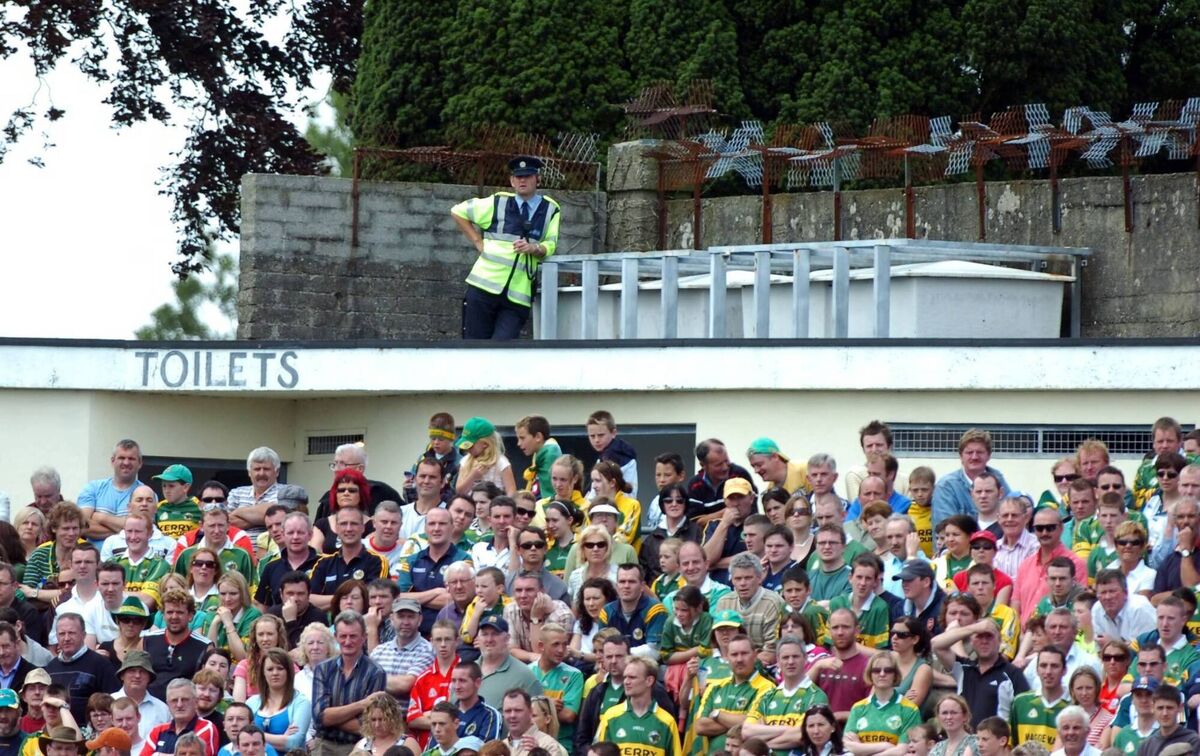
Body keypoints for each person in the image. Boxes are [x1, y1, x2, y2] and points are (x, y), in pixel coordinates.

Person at [452, 155, 560, 339]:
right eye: (518, 177)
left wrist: (534, 248)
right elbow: (458, 211)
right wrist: (478, 241)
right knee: (474, 349)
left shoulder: (551, 209)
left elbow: (551, 243)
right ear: (512, 181)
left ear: (538, 179)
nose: (522, 180)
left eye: (528, 176)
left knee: (503, 350)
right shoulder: (498, 202)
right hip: (483, 288)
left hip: (518, 296)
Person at [311, 611, 388, 755]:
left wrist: (330, 719)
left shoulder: (376, 673)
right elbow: (319, 717)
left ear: (364, 637)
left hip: (357, 748)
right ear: (335, 637)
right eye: (343, 636)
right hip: (323, 745)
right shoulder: (323, 669)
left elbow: (367, 726)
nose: (347, 641)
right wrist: (361, 705)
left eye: (353, 636)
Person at [933, 615, 1029, 726]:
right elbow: (936, 644)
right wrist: (974, 628)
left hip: (996, 740)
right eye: (979, 636)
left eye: (989, 636)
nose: (984, 641)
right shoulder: (964, 668)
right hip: (965, 740)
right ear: (972, 641)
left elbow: (1023, 712)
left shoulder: (1012, 673)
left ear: (999, 641)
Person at [742, 635, 828, 755]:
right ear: (778, 661)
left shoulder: (816, 696)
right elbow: (746, 731)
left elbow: (801, 735)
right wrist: (790, 730)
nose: (790, 662)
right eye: (785, 657)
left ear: (805, 658)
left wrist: (762, 743)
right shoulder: (766, 696)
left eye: (795, 656)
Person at [396, 508, 472, 636]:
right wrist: (436, 592)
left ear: (452, 527)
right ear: (425, 529)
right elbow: (399, 599)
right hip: (413, 635)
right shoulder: (411, 560)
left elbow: (457, 600)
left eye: (442, 524)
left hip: (450, 636)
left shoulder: (464, 559)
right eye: (432, 524)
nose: (436, 528)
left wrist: (416, 597)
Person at [1014, 508, 1088, 623]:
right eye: (1039, 528)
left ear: (1061, 528)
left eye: (1050, 528)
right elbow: (1016, 604)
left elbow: (1079, 605)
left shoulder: (1076, 564)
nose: (1044, 533)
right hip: (1025, 636)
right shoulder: (1025, 564)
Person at [309, 507, 388, 612]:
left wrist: (329, 601)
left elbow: (372, 600)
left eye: (354, 524)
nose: (349, 529)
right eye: (343, 524)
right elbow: (309, 600)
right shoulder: (323, 563)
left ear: (363, 528)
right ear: (336, 528)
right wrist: (351, 599)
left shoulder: (377, 562)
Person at [596, 658, 681, 756]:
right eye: (625, 677)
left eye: (632, 677)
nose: (626, 682)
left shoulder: (667, 722)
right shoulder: (611, 716)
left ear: (649, 681)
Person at [45, 613, 120, 723]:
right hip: (58, 733)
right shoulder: (51, 668)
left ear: (83, 635)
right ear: (56, 637)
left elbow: (114, 703)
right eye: (62, 634)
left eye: (71, 633)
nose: (66, 638)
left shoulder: (101, 664)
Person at [842, 650, 922, 755]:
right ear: (870, 675)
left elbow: (902, 750)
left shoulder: (910, 709)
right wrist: (885, 746)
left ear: (895, 674)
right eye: (876, 670)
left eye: (888, 670)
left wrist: (861, 748)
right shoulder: (858, 708)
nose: (882, 674)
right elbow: (848, 745)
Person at [142, 590, 211, 701]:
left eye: (179, 612)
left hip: (184, 707)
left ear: (190, 616)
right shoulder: (148, 640)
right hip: (150, 706)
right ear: (163, 615)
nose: (174, 617)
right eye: (170, 612)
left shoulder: (204, 646)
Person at [932, 429, 1010, 527]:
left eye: (980, 452)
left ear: (989, 456)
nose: (974, 457)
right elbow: (945, 530)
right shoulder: (946, 486)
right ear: (961, 456)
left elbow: (1010, 515)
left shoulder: (998, 478)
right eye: (969, 452)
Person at [404, 620, 459, 750]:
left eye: (448, 639)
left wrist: (429, 714)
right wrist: (445, 722)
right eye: (439, 640)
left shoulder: (465, 674)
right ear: (431, 641)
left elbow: (465, 715)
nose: (443, 645)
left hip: (457, 747)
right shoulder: (423, 678)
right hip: (426, 748)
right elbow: (412, 719)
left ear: (457, 641)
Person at [527, 623, 581, 751]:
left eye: (564, 644)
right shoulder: (526, 672)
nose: (561, 650)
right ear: (541, 646)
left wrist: (535, 707)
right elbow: (521, 712)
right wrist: (549, 704)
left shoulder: (574, 674)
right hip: (529, 741)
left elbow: (568, 715)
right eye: (556, 644)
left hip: (561, 743)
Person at [78, 439, 144, 543]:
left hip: (128, 559)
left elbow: (144, 529)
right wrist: (126, 529)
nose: (126, 462)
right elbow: (81, 526)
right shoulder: (92, 488)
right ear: (112, 461)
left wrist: (101, 517)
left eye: (131, 458)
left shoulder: (145, 494)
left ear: (140, 463)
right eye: (121, 458)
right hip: (95, 558)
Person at [20, 501, 85, 605]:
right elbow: (26, 592)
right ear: (54, 528)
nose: (71, 533)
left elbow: (82, 593)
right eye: (66, 528)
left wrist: (36, 593)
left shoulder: (87, 553)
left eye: (75, 528)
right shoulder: (40, 555)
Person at [316, 443, 402, 521]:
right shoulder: (327, 498)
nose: (336, 469)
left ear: (360, 469)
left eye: (342, 464)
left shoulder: (381, 492)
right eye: (335, 464)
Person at [245, 648, 310, 752]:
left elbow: (293, 743)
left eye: (280, 668)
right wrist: (282, 738)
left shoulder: (301, 703)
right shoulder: (251, 703)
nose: (275, 673)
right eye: (270, 669)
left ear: (288, 672)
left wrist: (254, 735)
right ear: (263, 673)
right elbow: (242, 739)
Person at [598, 564, 666, 660]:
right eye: (622, 582)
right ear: (617, 586)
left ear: (642, 586)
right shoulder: (606, 612)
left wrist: (621, 654)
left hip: (646, 667)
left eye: (632, 582)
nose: (626, 586)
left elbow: (655, 652)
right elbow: (602, 649)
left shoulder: (655, 610)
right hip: (615, 666)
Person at [369, 599, 433, 699]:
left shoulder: (428, 650)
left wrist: (372, 679)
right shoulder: (379, 651)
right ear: (392, 619)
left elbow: (405, 685)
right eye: (401, 616)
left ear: (420, 620)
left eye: (411, 617)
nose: (406, 622)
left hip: (407, 714)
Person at [503, 573, 574, 663]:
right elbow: (511, 649)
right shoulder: (510, 610)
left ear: (542, 592)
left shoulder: (562, 615)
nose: (523, 595)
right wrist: (530, 656)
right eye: (518, 590)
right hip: (523, 665)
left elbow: (544, 654)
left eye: (529, 590)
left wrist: (535, 618)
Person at [255, 514, 319, 610]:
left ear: (310, 535)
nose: (295, 537)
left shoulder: (325, 563)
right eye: (290, 533)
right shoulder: (271, 567)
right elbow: (263, 607)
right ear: (283, 535)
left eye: (300, 532)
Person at [1010, 646, 1069, 749]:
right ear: (1037, 670)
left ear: (1064, 670)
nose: (1048, 671)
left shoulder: (1073, 706)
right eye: (1043, 665)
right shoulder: (1020, 703)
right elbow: (1011, 745)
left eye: (1054, 666)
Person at [474, 617, 543, 706]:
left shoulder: (524, 675)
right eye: (484, 634)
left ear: (507, 638)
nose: (489, 639)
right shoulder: (468, 670)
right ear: (478, 639)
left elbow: (538, 714)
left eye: (495, 634)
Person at [142, 679, 220, 756]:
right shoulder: (157, 731)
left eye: (185, 700)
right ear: (168, 704)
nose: (179, 705)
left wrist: (157, 754)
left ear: (196, 702)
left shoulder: (206, 728)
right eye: (174, 700)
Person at [830, 553, 891, 650]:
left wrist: (852, 648)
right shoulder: (837, 603)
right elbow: (829, 644)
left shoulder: (880, 608)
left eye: (868, 578)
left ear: (875, 582)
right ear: (850, 578)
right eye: (859, 577)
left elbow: (881, 651)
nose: (862, 583)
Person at [686, 439, 757, 521]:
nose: (725, 467)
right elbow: (695, 523)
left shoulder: (739, 475)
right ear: (703, 465)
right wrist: (726, 513)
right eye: (718, 465)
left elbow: (752, 512)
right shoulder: (695, 485)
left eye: (726, 461)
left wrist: (710, 517)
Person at [114, 513, 171, 614]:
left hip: (146, 625)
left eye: (138, 532)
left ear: (150, 534)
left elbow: (147, 601)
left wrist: (113, 594)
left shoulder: (160, 565)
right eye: (129, 531)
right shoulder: (113, 562)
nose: (133, 536)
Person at [111, 651, 169, 741]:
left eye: (142, 672)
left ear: (149, 677)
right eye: (132, 671)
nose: (137, 676)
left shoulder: (162, 709)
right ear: (122, 675)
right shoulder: (108, 702)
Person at [227, 447, 283, 536]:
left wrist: (237, 512)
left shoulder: (285, 493)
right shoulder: (236, 493)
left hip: (271, 549)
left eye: (266, 469)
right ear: (249, 472)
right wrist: (262, 517)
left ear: (277, 472)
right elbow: (227, 523)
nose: (261, 473)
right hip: (238, 548)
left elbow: (280, 517)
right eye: (257, 469)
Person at [1133, 683, 1200, 755]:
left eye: (1169, 708)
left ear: (1180, 708)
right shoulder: (1146, 746)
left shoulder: (1193, 740)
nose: (1165, 713)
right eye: (1160, 708)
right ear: (1153, 708)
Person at [267, 572, 326, 648]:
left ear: (308, 594)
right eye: (290, 593)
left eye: (300, 594)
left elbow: (303, 649)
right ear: (281, 594)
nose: (295, 599)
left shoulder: (318, 616)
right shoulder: (272, 614)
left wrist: (291, 621)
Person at [499, 689, 566, 756]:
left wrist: (539, 753)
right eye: (508, 711)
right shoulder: (499, 748)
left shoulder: (548, 745)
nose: (512, 715)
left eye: (518, 710)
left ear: (530, 712)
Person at [450, 663, 503, 743]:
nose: (457, 686)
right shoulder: (446, 713)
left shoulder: (490, 715)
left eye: (462, 681)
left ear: (477, 682)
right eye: (454, 681)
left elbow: (488, 751)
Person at [888, 617, 933, 710]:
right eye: (893, 633)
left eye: (901, 635)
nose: (894, 637)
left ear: (915, 639)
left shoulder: (923, 669)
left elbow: (909, 709)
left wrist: (886, 698)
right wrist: (901, 699)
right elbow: (872, 699)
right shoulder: (887, 659)